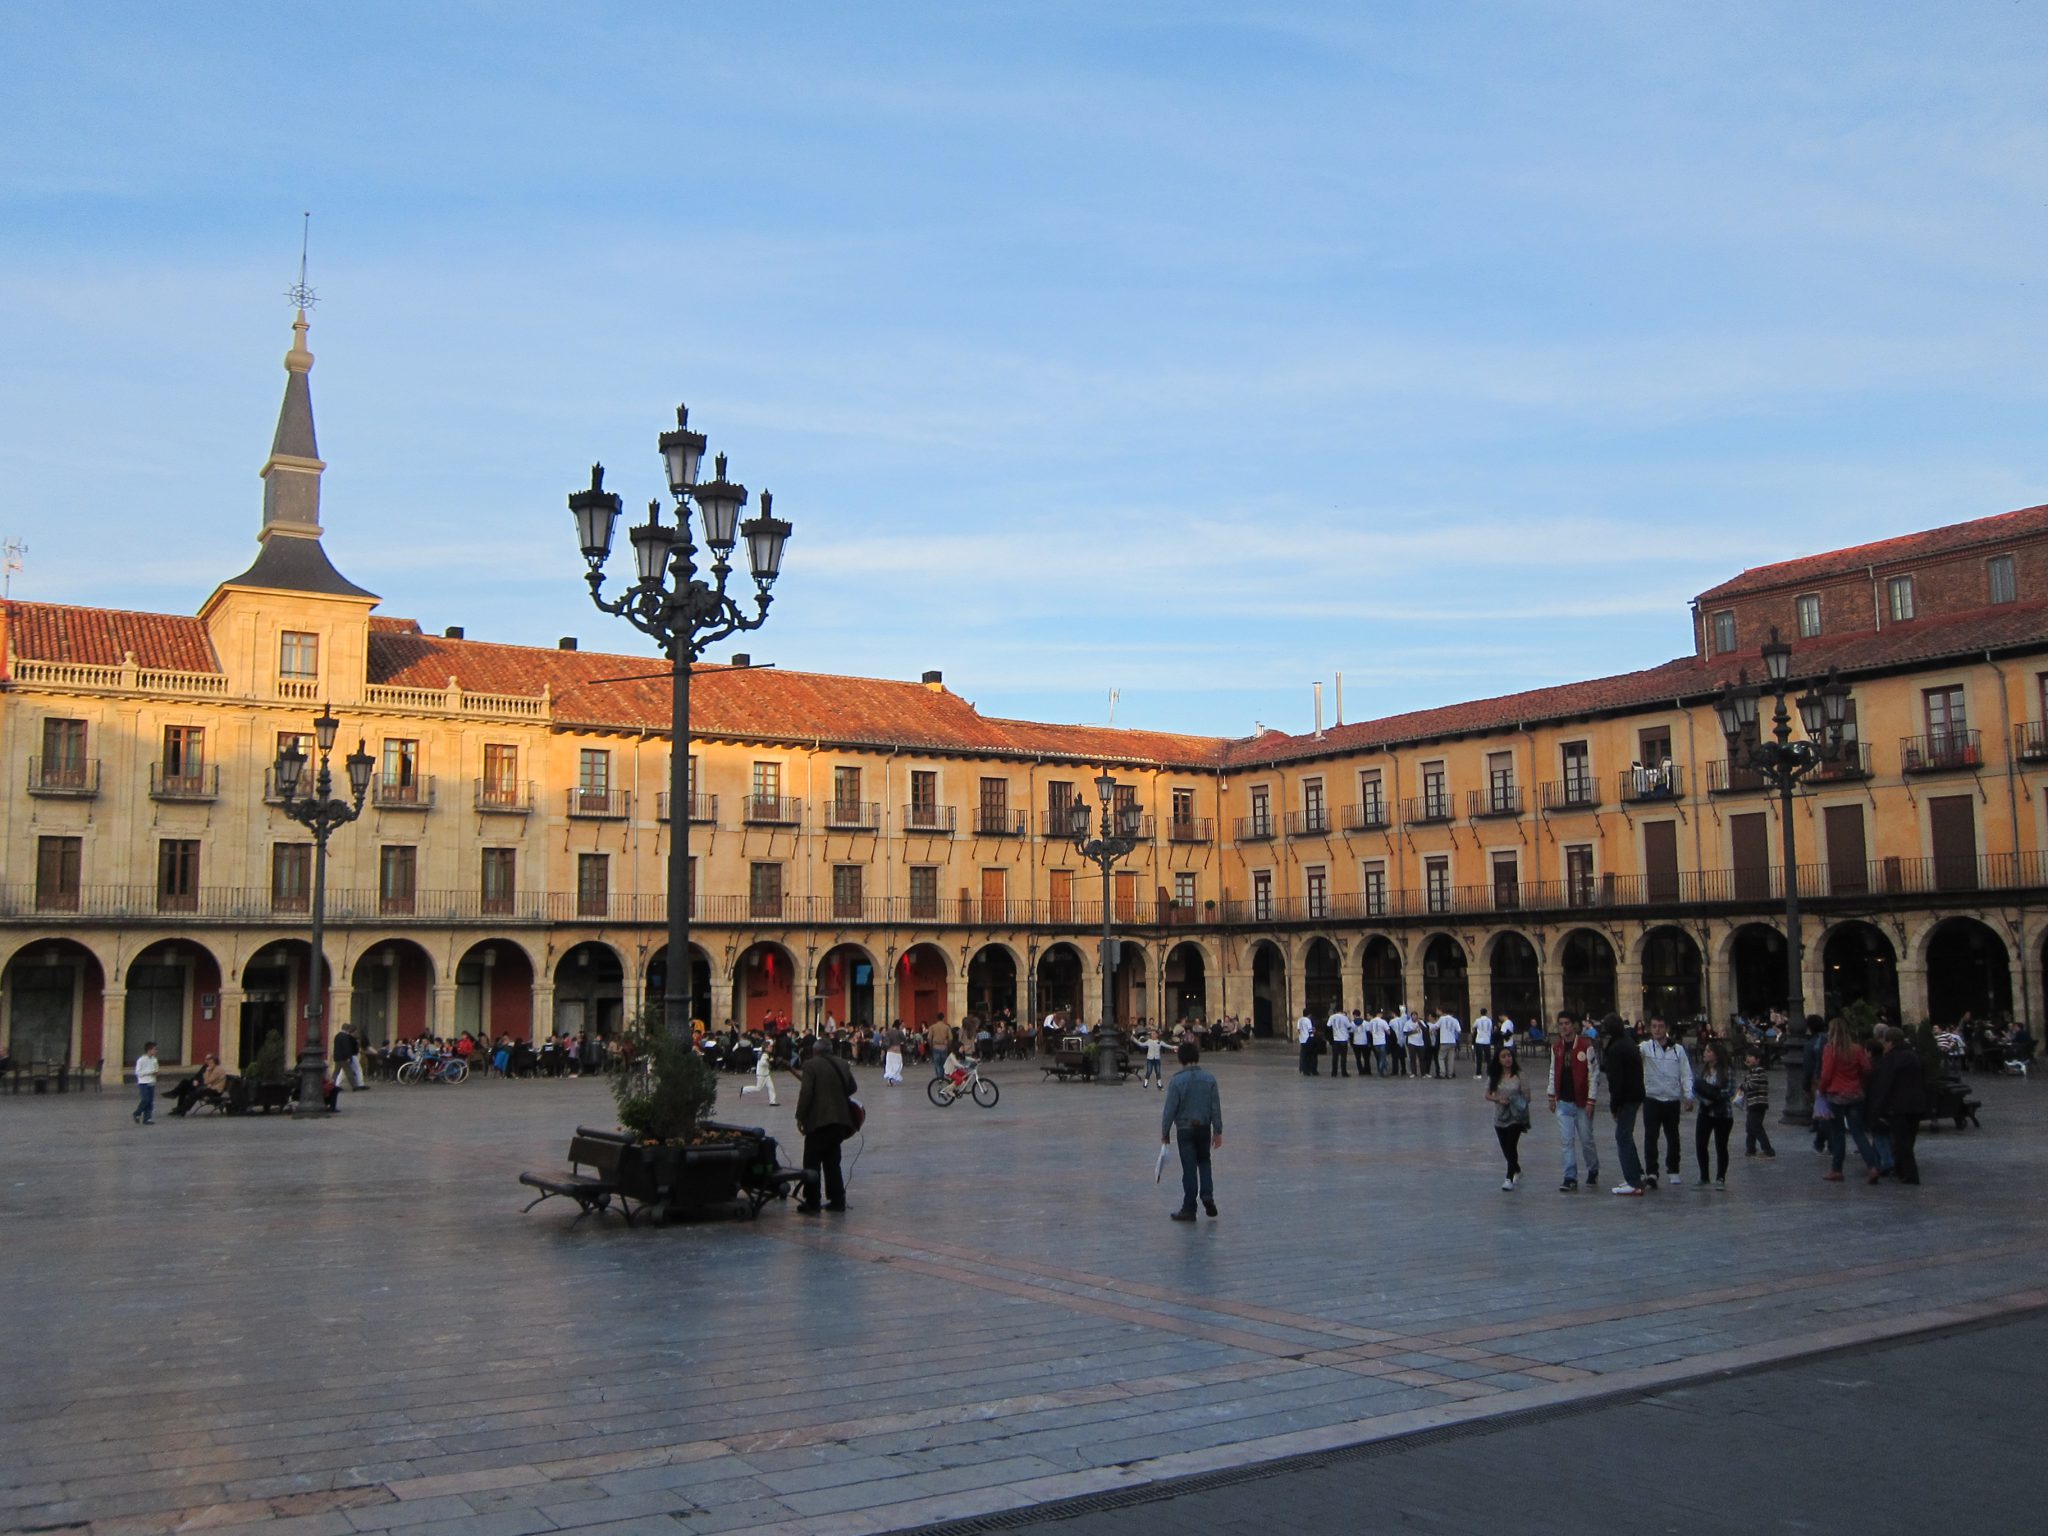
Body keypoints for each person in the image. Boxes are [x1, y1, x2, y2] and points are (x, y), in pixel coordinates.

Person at [793, 1038, 858, 1214]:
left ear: (815, 1051)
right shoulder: (842, 1064)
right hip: (840, 1120)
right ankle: (837, 1200)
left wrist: (800, 1116)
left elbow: (806, 1093)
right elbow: (852, 1087)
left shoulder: (810, 1065)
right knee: (833, 1162)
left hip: (819, 1120)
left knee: (811, 1161)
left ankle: (812, 1201)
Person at [1161, 1041, 1222, 1221]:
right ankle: (1207, 1195)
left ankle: (1189, 1208)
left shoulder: (1176, 1081)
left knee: (1189, 1168)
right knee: (1204, 1161)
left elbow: (1170, 1109)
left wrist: (1165, 1132)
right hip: (1203, 1127)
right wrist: (1218, 1131)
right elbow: (1215, 1107)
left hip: (1185, 1128)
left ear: (1181, 1059)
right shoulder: (1210, 1079)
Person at [1818, 1016, 1879, 1182]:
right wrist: (1857, 1081)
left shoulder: (1830, 1049)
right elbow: (1867, 1068)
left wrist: (1822, 1090)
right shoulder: (1857, 1049)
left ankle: (1837, 1169)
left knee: (1838, 1133)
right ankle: (1872, 1166)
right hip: (1855, 1094)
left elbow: (1826, 1074)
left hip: (1836, 1095)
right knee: (1858, 1132)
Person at [1865, 1024, 1927, 1185]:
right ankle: (1902, 1171)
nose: (1884, 1046)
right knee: (1908, 1140)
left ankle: (1910, 1174)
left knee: (1902, 1142)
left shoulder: (1891, 1059)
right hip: (1916, 1104)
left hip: (1897, 1106)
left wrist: (1877, 1108)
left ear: (1891, 1042)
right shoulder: (1913, 1055)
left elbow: (1885, 1085)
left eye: (1885, 1042)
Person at [1639, 1016, 1693, 1190]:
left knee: (1673, 1136)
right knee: (1651, 1136)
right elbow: (1634, 1055)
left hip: (1671, 1099)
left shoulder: (1678, 1050)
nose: (1657, 1030)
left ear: (1667, 1028)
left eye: (1660, 1026)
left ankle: (1673, 1169)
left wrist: (1688, 1095)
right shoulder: (1645, 1048)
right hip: (1652, 1097)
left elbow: (1685, 1073)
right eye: (1654, 1026)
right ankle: (1652, 1172)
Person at [1547, 1016, 1600, 1192]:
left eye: (1567, 1024)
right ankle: (1570, 1176)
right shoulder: (1556, 1048)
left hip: (1582, 1101)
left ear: (1574, 1026)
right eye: (1561, 1024)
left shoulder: (1586, 1046)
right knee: (1566, 1141)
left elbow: (1593, 1074)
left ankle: (1593, 1168)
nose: (1564, 1027)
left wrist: (1591, 1099)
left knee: (1586, 1140)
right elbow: (1553, 1071)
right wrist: (1551, 1094)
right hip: (1564, 1101)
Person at [1599, 1013, 1646, 1196]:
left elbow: (1616, 1081)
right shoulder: (1627, 1042)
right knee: (1626, 1135)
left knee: (1622, 1136)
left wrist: (1614, 1105)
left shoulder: (1616, 1048)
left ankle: (1633, 1181)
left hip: (1627, 1097)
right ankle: (1636, 1174)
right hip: (1635, 1094)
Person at [1486, 1044, 1531, 1190]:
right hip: (1500, 1116)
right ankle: (1517, 1169)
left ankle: (1508, 1178)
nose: (1507, 1059)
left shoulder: (1519, 1075)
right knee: (1506, 1149)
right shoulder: (1494, 1076)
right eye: (1504, 1056)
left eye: (1509, 1056)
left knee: (1511, 1146)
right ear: (1498, 1060)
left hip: (1516, 1116)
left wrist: (1515, 1099)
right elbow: (1487, 1095)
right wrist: (1498, 1099)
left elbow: (1527, 1096)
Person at [1693, 1042, 1736, 1188]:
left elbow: (1730, 1090)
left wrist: (1714, 1096)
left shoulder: (1726, 1071)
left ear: (1716, 1055)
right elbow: (1696, 1090)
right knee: (1701, 1144)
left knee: (1721, 1145)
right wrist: (1705, 1099)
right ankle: (1704, 1176)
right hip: (1705, 1111)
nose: (1705, 1053)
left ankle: (1720, 1177)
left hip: (1722, 1113)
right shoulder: (1703, 1070)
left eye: (1708, 1051)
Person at [1740, 1047, 1776, 1157]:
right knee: (1750, 1126)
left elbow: (1753, 1085)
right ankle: (1751, 1148)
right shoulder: (1753, 1071)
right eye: (1747, 1056)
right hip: (1753, 1103)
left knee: (1755, 1126)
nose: (1748, 1058)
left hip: (1757, 1103)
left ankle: (1768, 1150)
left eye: (1751, 1056)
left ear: (1758, 1059)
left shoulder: (1758, 1071)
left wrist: (1742, 1086)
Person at [739, 1036, 780, 1106]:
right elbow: (762, 1063)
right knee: (758, 1088)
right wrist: (769, 1062)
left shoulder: (763, 1053)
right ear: (766, 1048)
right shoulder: (765, 1055)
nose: (771, 1048)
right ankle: (744, 1089)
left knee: (771, 1087)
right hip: (762, 1074)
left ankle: (772, 1101)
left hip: (765, 1074)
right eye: (770, 1047)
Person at [132, 1041, 159, 1126]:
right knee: (145, 1099)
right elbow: (138, 1072)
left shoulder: (154, 1060)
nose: (156, 1051)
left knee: (150, 1101)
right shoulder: (141, 1060)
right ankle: (137, 1113)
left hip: (152, 1082)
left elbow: (156, 1069)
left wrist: (156, 1073)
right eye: (154, 1049)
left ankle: (147, 1118)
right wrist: (150, 1072)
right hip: (143, 1082)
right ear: (149, 1050)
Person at [333, 1021, 364, 1090]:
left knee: (336, 1072)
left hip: (337, 1057)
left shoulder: (337, 1036)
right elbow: (346, 1048)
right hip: (344, 1058)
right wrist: (349, 1057)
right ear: (347, 1029)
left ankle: (332, 1084)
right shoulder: (345, 1037)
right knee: (348, 1072)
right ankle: (354, 1086)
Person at [1435, 1010, 1461, 1078]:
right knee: (1451, 1059)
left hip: (1444, 1041)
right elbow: (1459, 1030)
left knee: (1440, 1058)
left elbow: (1436, 1026)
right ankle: (1450, 1074)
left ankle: (1442, 1073)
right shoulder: (1455, 1020)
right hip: (1452, 1041)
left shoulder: (1442, 1018)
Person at [1327, 1006, 1352, 1077]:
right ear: (1341, 1010)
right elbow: (1349, 1027)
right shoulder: (1344, 1017)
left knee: (1335, 1057)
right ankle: (1344, 1072)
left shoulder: (1332, 1017)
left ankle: (1334, 1072)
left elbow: (1328, 1026)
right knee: (1343, 1057)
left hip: (1335, 1039)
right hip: (1343, 1039)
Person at [1472, 1008, 1494, 1078]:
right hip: (1487, 1041)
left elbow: (1473, 1027)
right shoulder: (1489, 1020)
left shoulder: (1478, 1020)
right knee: (1488, 1058)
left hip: (1479, 1040)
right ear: (1486, 1013)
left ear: (1480, 1013)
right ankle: (1490, 1072)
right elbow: (1491, 1029)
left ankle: (1479, 1073)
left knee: (1479, 1058)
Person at [1296, 1008, 1318, 1076]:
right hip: (1308, 1039)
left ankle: (1304, 1070)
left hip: (1302, 1039)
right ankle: (1310, 1070)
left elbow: (1298, 1030)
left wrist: (1301, 1035)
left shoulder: (1300, 1020)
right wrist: (1312, 1036)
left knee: (1303, 1056)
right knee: (1310, 1056)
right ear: (1309, 1014)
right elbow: (1310, 1031)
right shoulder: (1308, 1020)